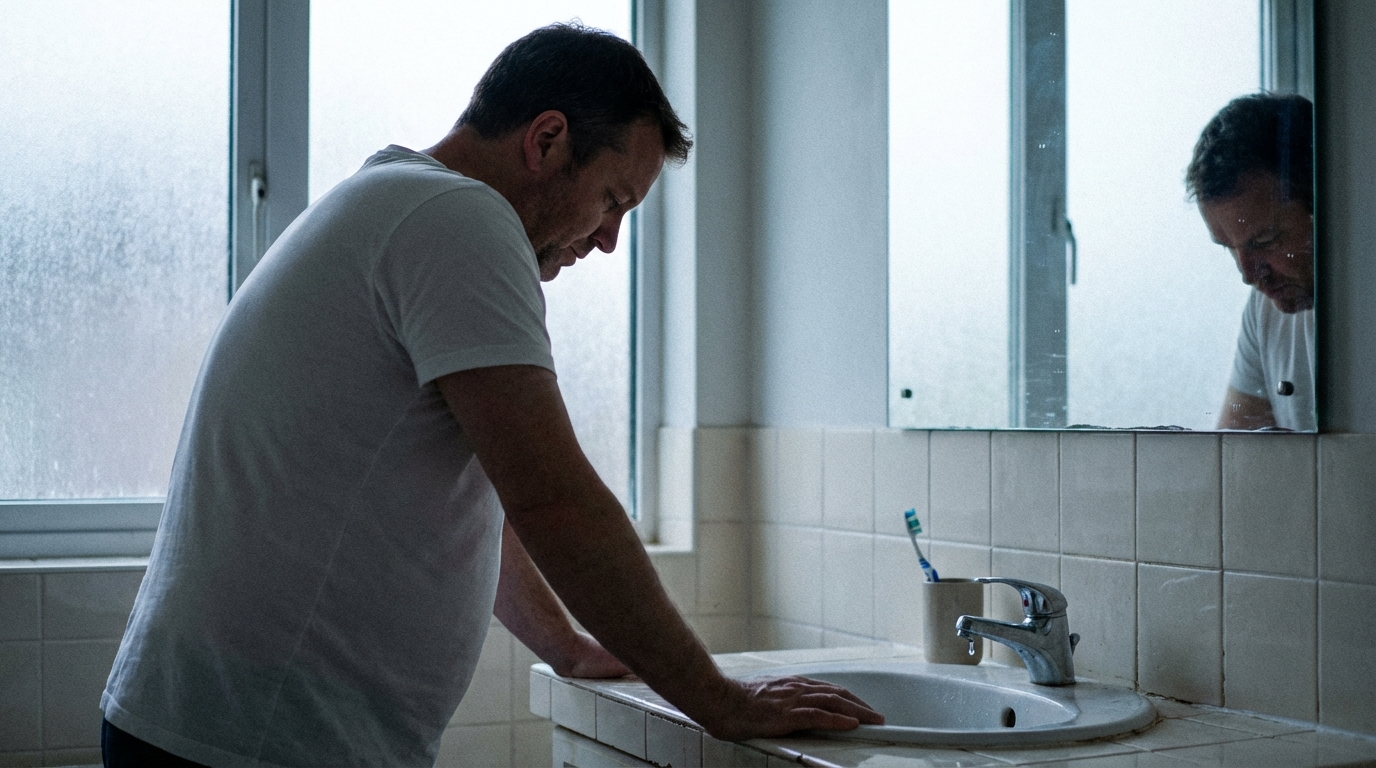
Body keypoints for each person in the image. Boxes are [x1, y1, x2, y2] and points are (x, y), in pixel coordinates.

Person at [100, 24, 880, 767]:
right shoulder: (457, 218)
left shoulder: (397, 201)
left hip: (220, 728)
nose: (607, 241)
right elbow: (556, 500)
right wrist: (720, 701)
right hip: (255, 739)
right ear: (546, 140)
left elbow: (485, 503)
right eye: (613, 200)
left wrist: (567, 647)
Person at [1187, 93, 1315, 431]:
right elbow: (1233, 464)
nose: (1248, 274)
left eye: (1264, 241)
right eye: (1229, 247)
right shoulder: (1266, 310)